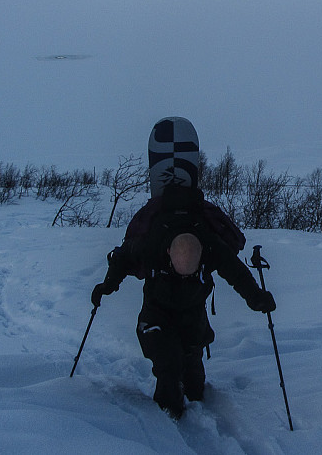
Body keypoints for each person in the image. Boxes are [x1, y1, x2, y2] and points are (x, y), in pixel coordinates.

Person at [91, 117, 275, 419]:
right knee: (169, 367)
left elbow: (237, 273)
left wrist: (257, 299)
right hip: (156, 312)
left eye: (192, 270)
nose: (187, 273)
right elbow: (123, 258)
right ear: (167, 254)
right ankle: (167, 420)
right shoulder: (151, 243)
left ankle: (187, 386)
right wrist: (106, 286)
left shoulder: (211, 245)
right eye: (181, 270)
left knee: (194, 385)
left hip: (193, 315)